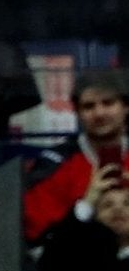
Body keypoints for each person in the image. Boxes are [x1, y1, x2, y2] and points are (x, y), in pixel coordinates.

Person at [24, 72, 127, 247]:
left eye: (108, 103)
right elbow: (38, 236)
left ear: (125, 107)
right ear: (77, 113)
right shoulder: (54, 163)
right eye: (88, 107)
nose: (99, 113)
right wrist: (86, 204)